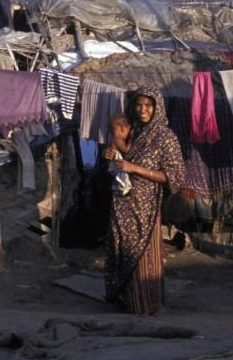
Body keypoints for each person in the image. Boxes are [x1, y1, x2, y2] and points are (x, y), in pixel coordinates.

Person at [103, 87, 185, 315]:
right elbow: (120, 156)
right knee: (122, 250)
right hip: (122, 204)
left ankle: (146, 304)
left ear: (157, 107)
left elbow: (174, 176)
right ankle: (125, 301)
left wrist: (134, 168)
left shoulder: (165, 137)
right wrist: (110, 156)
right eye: (139, 105)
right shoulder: (134, 132)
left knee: (143, 255)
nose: (143, 109)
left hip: (146, 207)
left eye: (148, 105)